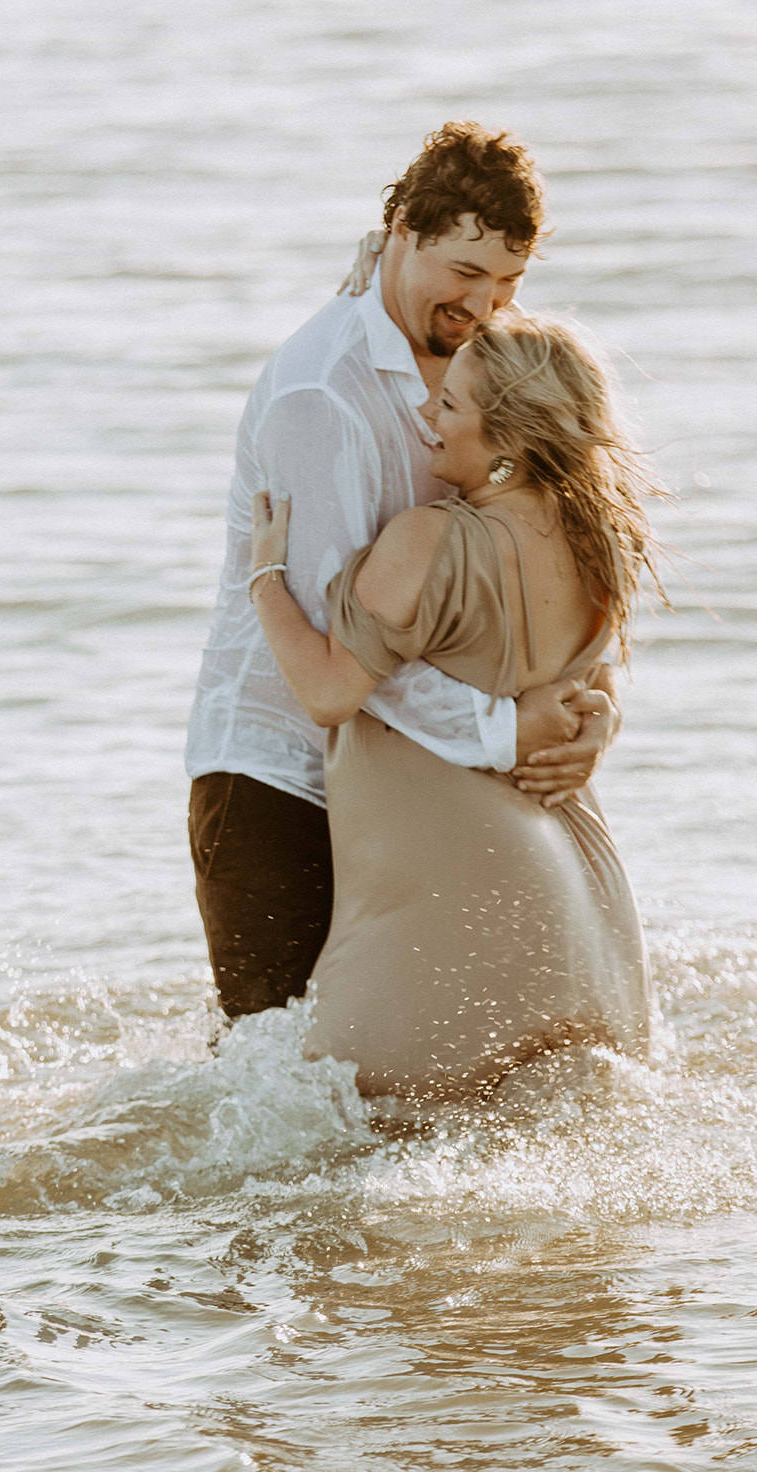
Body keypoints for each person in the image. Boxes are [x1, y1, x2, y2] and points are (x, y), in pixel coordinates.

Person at [186, 122, 620, 1021]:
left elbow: (528, 572)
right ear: (401, 236)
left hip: (416, 790)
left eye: (509, 282)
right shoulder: (323, 397)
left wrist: (592, 711)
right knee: (282, 1091)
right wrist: (508, 730)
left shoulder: (481, 370)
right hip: (284, 784)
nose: (486, 303)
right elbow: (341, 665)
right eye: (465, 273)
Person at [249, 308, 659, 1097]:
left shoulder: (427, 540)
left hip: (455, 911)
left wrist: (266, 580)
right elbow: (594, 679)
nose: (424, 415)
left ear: (504, 443)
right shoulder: (599, 539)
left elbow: (329, 693)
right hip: (586, 912)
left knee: (335, 1157)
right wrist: (603, 718)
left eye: (450, 405)